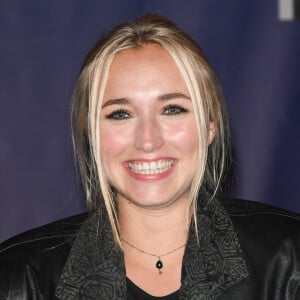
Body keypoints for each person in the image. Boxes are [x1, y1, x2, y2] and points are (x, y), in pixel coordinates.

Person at [1, 14, 300, 300]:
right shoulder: (20, 278)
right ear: (91, 135)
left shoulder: (290, 263)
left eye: (172, 109)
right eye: (120, 114)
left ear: (210, 127)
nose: (147, 140)